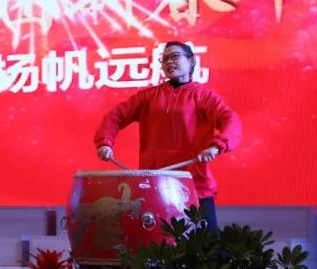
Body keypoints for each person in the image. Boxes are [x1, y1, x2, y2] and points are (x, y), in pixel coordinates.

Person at [94, 40, 242, 229]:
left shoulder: (204, 97)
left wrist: (217, 146)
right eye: (164, 59)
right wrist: (105, 142)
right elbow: (116, 115)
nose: (169, 62)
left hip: (194, 186)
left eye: (174, 57)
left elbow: (230, 120)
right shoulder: (148, 97)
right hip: (155, 186)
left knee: (206, 245)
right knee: (156, 244)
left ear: (191, 61)